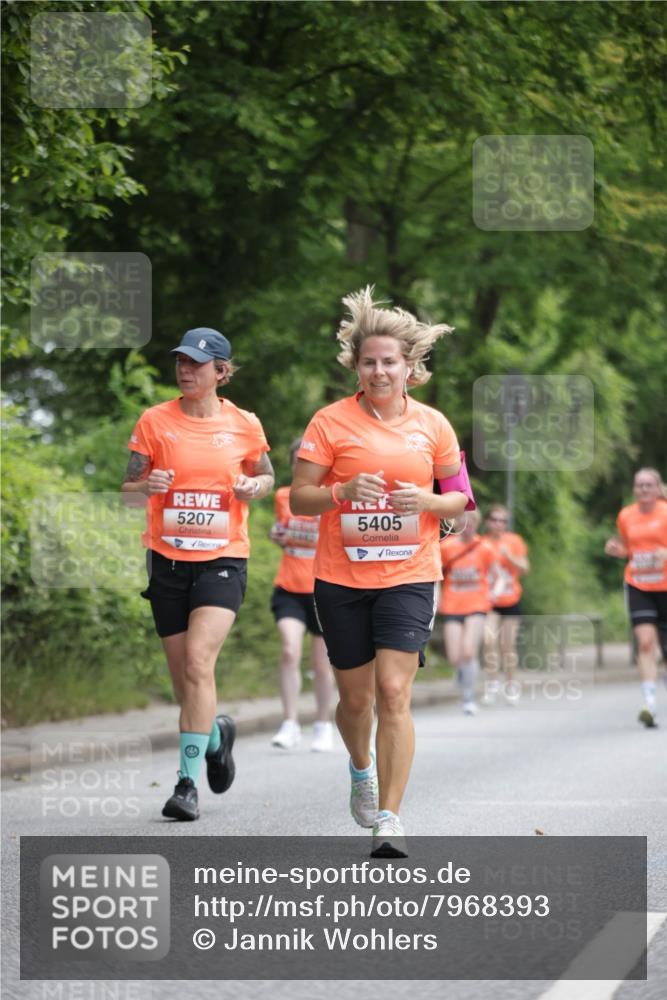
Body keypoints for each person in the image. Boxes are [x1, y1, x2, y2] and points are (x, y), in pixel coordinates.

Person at [290, 287, 471, 857]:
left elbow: (462, 504)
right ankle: (361, 767)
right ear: (356, 365)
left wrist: (426, 501)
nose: (379, 370)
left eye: (389, 361)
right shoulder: (330, 422)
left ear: (410, 367)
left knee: (394, 692)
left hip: (411, 573)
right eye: (368, 361)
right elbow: (299, 498)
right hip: (341, 577)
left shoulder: (434, 426)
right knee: (356, 702)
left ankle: (389, 817)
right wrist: (340, 490)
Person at [121, 327, 274, 820]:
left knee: (198, 664)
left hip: (223, 558)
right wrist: (146, 485)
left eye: (198, 364)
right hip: (166, 560)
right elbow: (126, 487)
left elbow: (268, 475)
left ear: (221, 372)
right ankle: (214, 737)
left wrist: (255, 486)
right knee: (184, 681)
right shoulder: (154, 421)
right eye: (181, 362)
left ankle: (186, 784)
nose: (186, 370)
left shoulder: (245, 424)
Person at [270, 437, 334, 751]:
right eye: (296, 461)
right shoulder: (283, 496)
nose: (300, 466)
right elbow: (282, 531)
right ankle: (290, 722)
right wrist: (277, 535)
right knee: (288, 651)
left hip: (322, 588)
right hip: (289, 586)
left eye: (305, 461)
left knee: (322, 664)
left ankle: (323, 724)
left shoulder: (329, 496)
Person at [605, 467, 667, 728]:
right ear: (634, 489)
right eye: (639, 485)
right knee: (645, 643)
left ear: (657, 488)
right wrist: (616, 549)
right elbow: (627, 547)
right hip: (638, 584)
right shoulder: (626, 515)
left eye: (648, 485)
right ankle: (649, 704)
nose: (643, 489)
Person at [439, 509, 498, 715]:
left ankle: (468, 697)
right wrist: (436, 598)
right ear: (456, 523)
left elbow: (497, 576)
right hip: (453, 604)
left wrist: (493, 594)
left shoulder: (485, 547)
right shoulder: (446, 547)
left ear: (477, 523)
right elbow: (436, 575)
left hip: (477, 604)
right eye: (463, 520)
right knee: (455, 656)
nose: (468, 524)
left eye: (472, 520)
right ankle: (463, 673)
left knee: (468, 651)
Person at [481, 504, 529, 705]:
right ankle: (492, 683)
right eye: (495, 520)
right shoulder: (481, 543)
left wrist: (509, 556)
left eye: (503, 521)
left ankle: (511, 685)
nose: (499, 524)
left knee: (507, 646)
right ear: (487, 522)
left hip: (510, 599)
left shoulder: (514, 541)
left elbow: (525, 568)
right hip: (489, 601)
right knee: (488, 641)